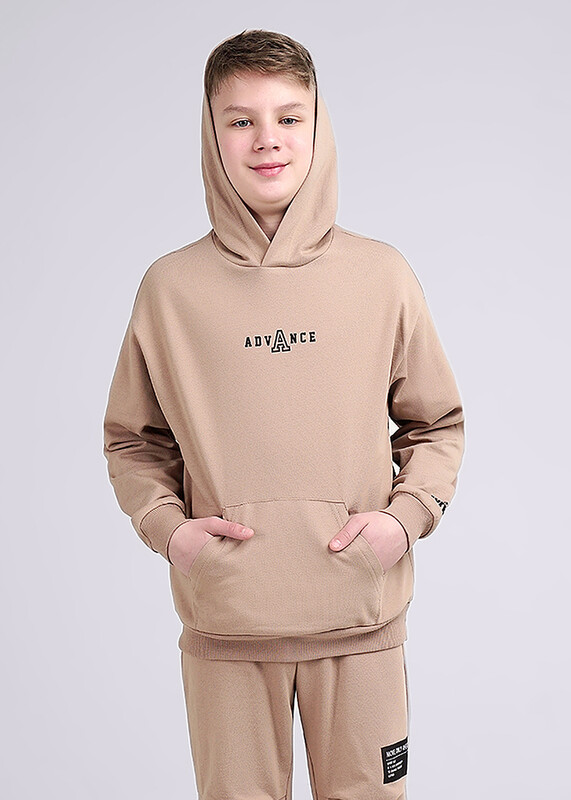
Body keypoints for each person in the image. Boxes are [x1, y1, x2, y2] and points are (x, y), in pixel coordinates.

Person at [102, 28, 465, 800]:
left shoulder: (381, 275)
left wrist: (403, 521)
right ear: (212, 135)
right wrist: (172, 533)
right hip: (227, 622)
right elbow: (133, 441)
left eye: (288, 117)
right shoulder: (170, 289)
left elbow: (436, 424)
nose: (266, 139)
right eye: (240, 120)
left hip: (360, 621)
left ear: (318, 125)